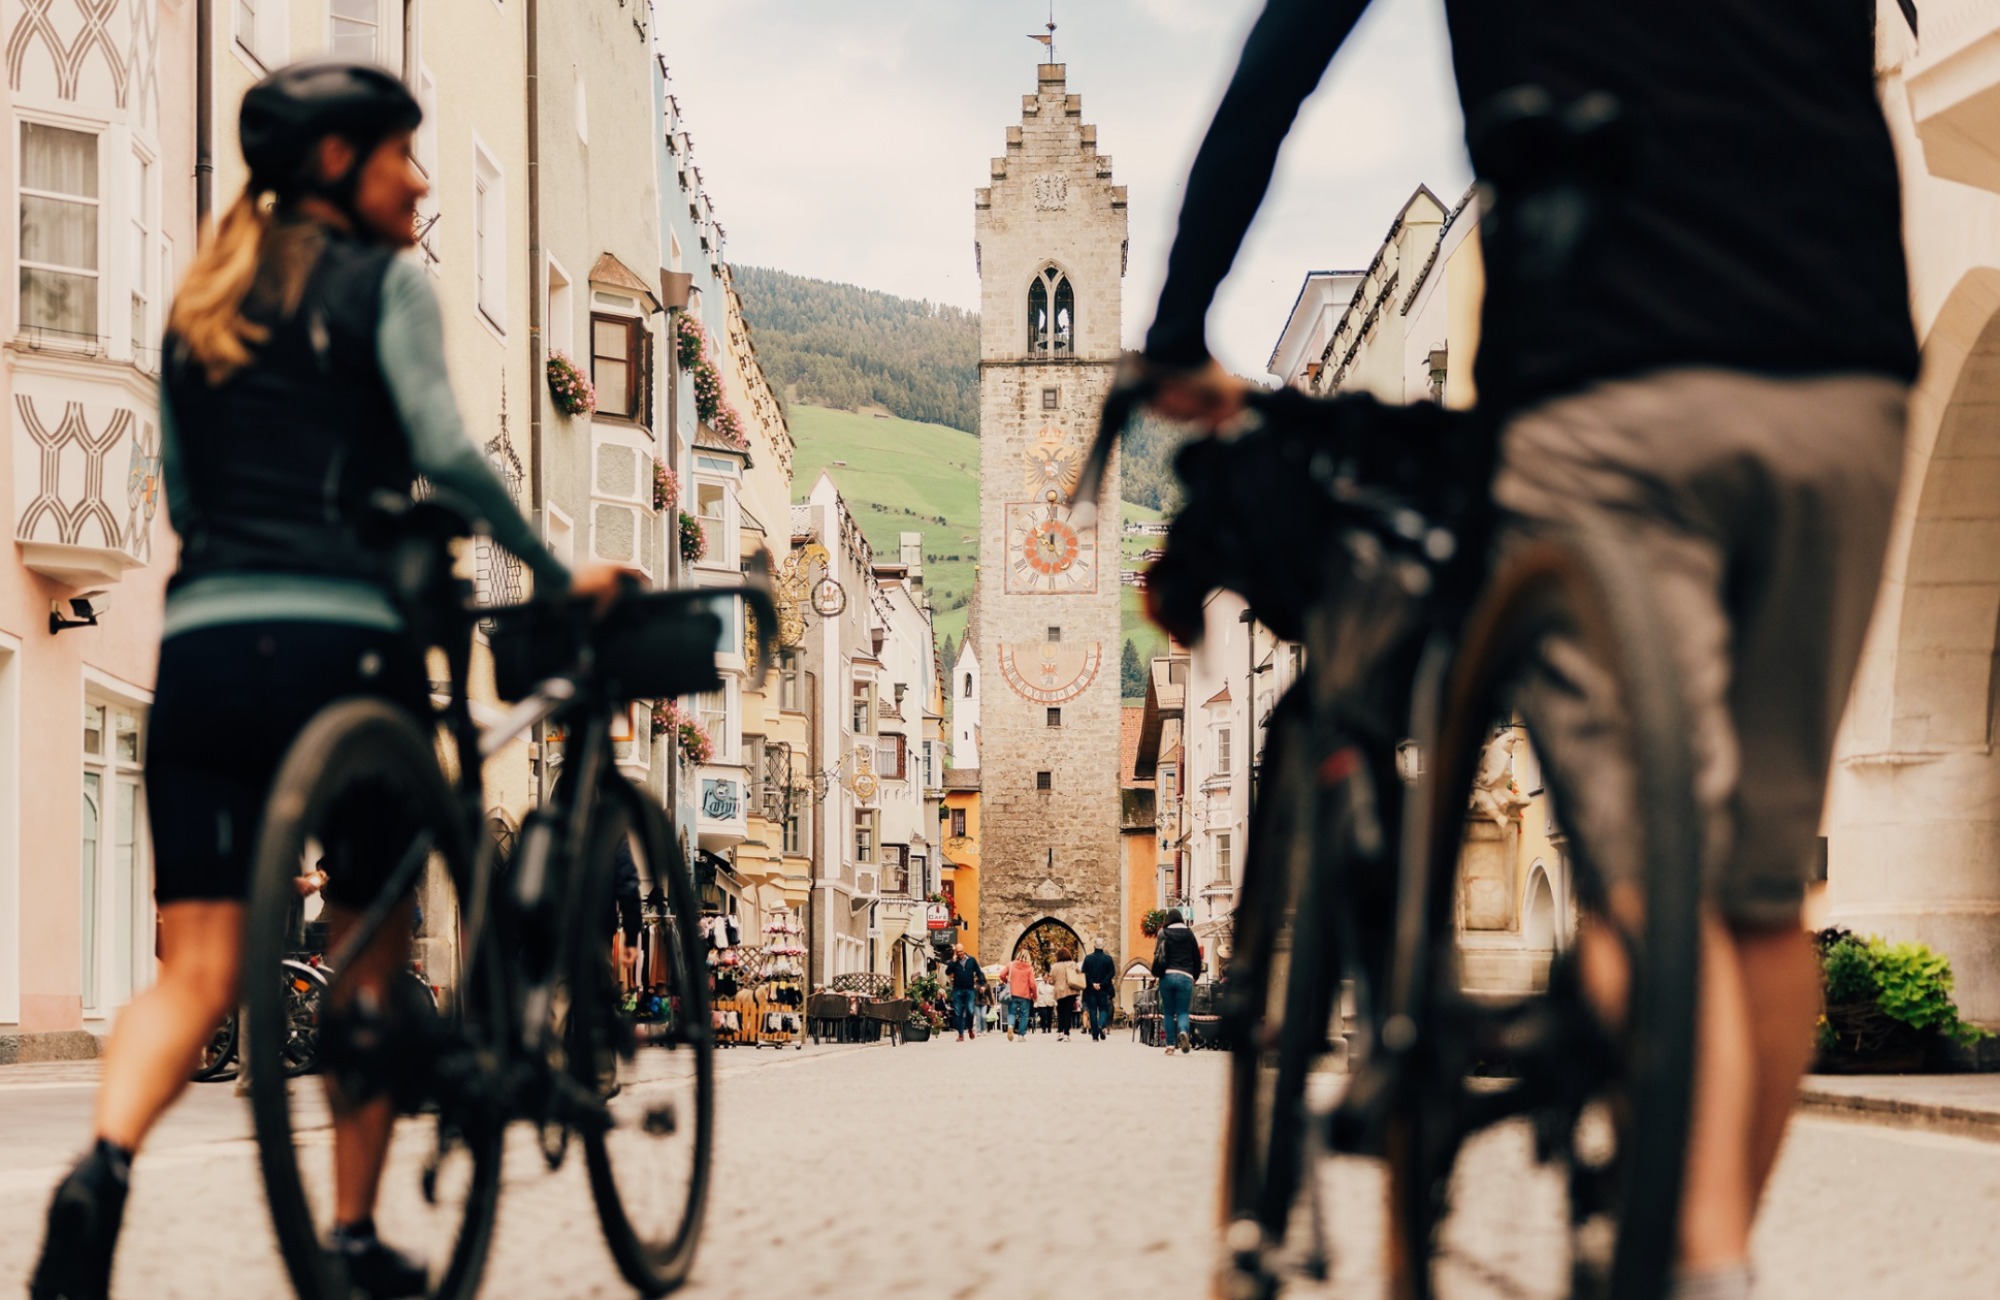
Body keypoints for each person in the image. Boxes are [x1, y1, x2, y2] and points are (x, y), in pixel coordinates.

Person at [1138, 4, 1915, 1293]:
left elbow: (1281, 60)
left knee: (1640, 871)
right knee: (1763, 896)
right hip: (1838, 361)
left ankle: (1701, 1254)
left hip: (1601, 376)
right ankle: (1695, 1235)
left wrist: (1178, 324)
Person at [28, 62, 623, 1300]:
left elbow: (184, 497)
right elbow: (446, 450)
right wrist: (550, 569)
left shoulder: (197, 308)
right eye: (399, 154)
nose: (417, 179)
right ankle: (348, 1232)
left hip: (200, 649)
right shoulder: (384, 286)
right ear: (338, 169)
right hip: (339, 649)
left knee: (191, 970)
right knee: (366, 944)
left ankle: (97, 1176)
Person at [1152, 911, 1202, 1055]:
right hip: (1185, 976)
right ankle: (1183, 1031)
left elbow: (1157, 954)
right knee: (1182, 1011)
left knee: (1168, 1012)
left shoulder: (1163, 933)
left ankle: (1170, 1046)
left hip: (1167, 976)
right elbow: (1196, 957)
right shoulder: (1189, 934)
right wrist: (1196, 975)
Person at [1081, 940, 1117, 1042]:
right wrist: (1102, 984)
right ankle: (1101, 1025)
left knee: (1092, 1011)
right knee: (1103, 1009)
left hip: (1091, 989)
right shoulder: (1108, 959)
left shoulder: (1088, 958)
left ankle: (1095, 1036)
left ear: (1094, 946)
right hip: (1103, 989)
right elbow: (1111, 973)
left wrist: (1092, 983)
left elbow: (1084, 973)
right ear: (1103, 946)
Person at [947, 945, 984, 1042]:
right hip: (957, 990)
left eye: (961, 951)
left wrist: (982, 984)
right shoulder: (954, 962)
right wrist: (952, 962)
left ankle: (970, 1028)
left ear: (964, 951)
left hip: (969, 989)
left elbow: (979, 972)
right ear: (955, 952)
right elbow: (947, 972)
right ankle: (960, 1034)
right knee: (958, 1013)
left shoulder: (971, 960)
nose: (959, 953)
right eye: (958, 952)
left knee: (970, 1011)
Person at [1049, 949, 1084, 1041]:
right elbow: (1078, 974)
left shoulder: (1055, 966)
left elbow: (1051, 980)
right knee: (1068, 1012)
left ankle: (1060, 1032)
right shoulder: (1073, 964)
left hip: (1059, 992)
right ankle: (1066, 1034)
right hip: (1070, 991)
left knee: (1060, 1012)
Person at [1006, 954, 1036, 1040]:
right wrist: (1034, 995)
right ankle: (1021, 1035)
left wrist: (1008, 982)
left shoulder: (1011, 965)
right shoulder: (1029, 968)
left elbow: (1001, 974)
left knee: (1011, 1012)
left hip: (1013, 993)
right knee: (1024, 1015)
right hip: (1025, 995)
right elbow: (1032, 984)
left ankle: (1010, 1026)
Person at [1033, 970, 1056, 1034]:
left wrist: (1055, 1001)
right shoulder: (1039, 985)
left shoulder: (1051, 985)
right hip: (1041, 1002)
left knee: (1049, 1016)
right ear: (1042, 977)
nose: (1045, 979)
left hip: (1050, 1001)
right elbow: (1037, 993)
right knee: (1043, 1015)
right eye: (1044, 977)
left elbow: (1054, 994)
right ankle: (1043, 1028)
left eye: (1047, 977)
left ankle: (1049, 1028)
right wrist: (1036, 1002)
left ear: (1048, 977)